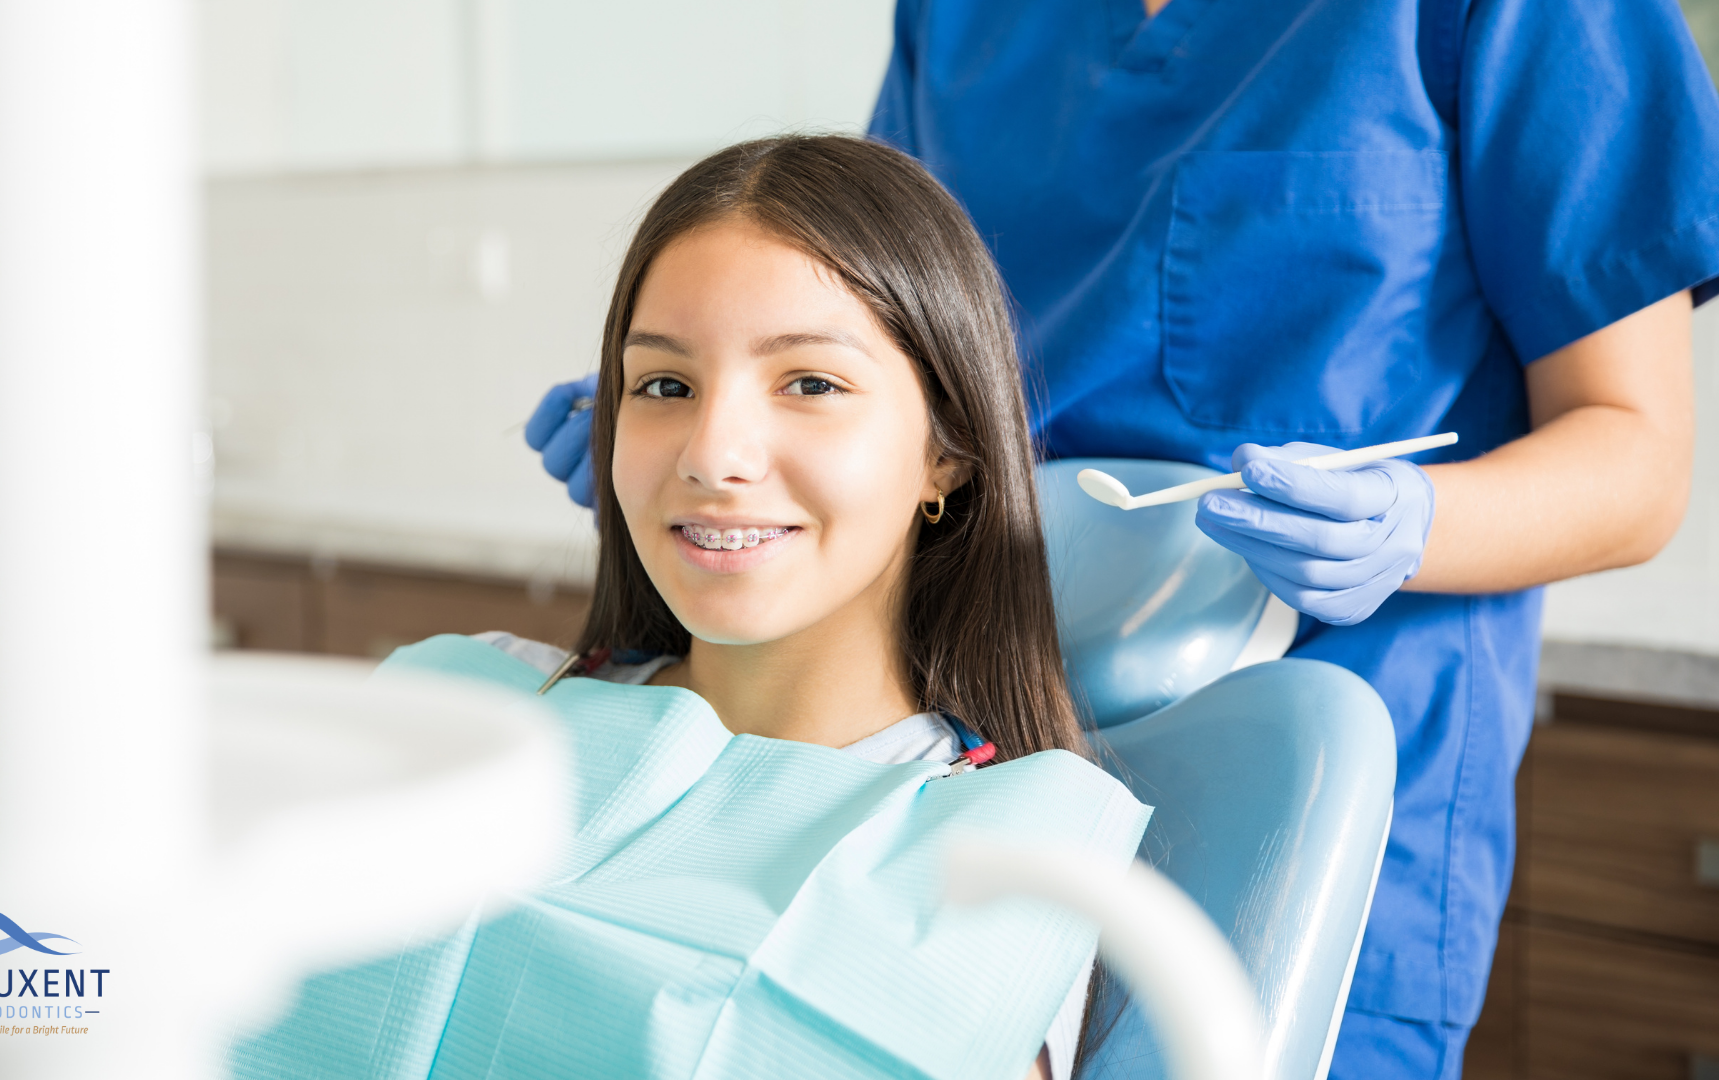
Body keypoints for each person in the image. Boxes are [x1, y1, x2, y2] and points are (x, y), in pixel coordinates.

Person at [526, 2, 1719, 1075]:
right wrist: (713, 452)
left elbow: (1636, 457)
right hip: (945, 746)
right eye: (659, 386)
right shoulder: (959, 21)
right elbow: (879, 316)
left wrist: (1414, 527)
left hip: (1319, 772)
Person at [237, 135, 1151, 1080]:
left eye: (810, 384)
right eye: (665, 385)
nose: (713, 455)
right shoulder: (469, 709)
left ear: (945, 454)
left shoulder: (998, 860)